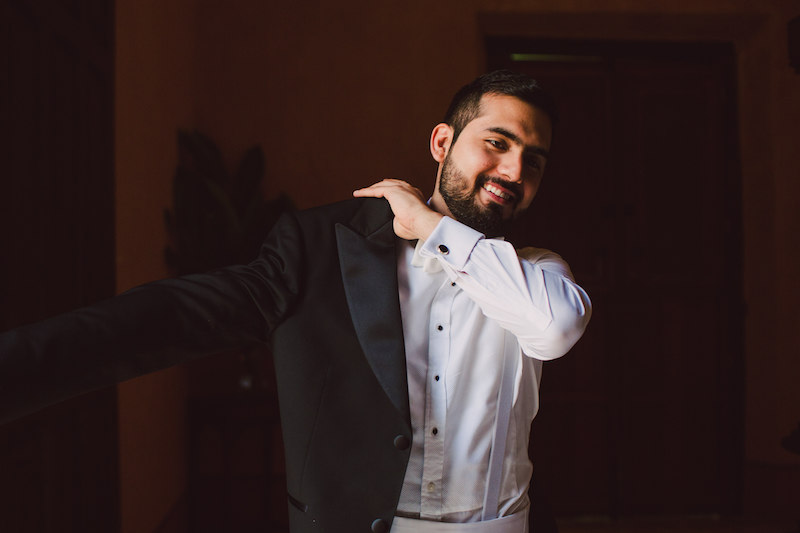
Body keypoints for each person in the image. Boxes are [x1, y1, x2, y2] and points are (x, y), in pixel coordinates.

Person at [0, 70, 591, 533]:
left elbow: (556, 327)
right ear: (443, 142)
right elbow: (170, 316)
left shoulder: (538, 274)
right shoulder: (321, 246)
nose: (512, 170)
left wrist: (433, 228)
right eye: (497, 142)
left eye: (532, 162)